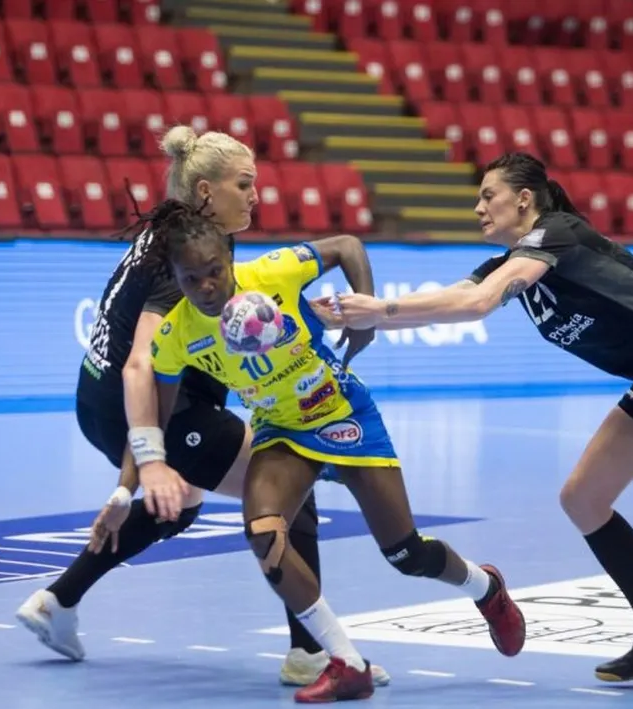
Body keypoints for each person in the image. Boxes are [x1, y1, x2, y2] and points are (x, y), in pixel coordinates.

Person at [327, 152, 633, 702]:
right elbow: (459, 296)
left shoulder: (558, 234)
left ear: (523, 200)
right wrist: (353, 313)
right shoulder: (513, 260)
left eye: (488, 196)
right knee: (583, 498)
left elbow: (480, 305)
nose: (478, 207)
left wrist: (379, 309)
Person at [14, 125, 390, 688]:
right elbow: (142, 363)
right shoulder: (180, 256)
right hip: (141, 404)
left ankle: (57, 601)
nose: (256, 195)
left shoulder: (177, 234)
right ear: (208, 193)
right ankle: (311, 653)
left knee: (182, 503)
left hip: (94, 400)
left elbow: (218, 319)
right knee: (292, 487)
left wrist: (301, 314)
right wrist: (150, 460)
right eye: (245, 184)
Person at [138, 199, 526, 703]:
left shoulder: (272, 272)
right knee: (263, 534)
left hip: (344, 414)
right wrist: (139, 474)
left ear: (229, 262)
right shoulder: (174, 337)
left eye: (215, 271)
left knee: (405, 553)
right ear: (176, 279)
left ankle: (486, 588)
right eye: (192, 279)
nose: (207, 286)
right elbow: (156, 413)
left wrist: (365, 317)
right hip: (281, 430)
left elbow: (347, 246)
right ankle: (348, 663)